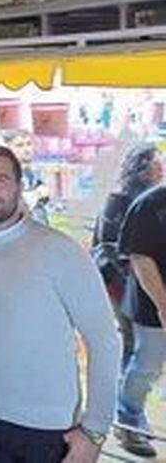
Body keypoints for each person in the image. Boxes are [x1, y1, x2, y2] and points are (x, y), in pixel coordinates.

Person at [0, 142, 118, 463]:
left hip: (45, 428)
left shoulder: (60, 251)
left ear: (19, 185)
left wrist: (95, 430)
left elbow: (104, 341)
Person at [113, 146, 166, 458]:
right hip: (151, 302)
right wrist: (163, 304)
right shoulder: (151, 204)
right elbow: (139, 256)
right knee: (147, 363)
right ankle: (129, 417)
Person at [95, 143, 163, 380]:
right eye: (157, 165)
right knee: (130, 338)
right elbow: (107, 244)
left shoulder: (156, 199)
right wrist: (134, 268)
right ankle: (122, 394)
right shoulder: (121, 198)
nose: (162, 170)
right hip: (119, 281)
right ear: (140, 168)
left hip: (140, 281)